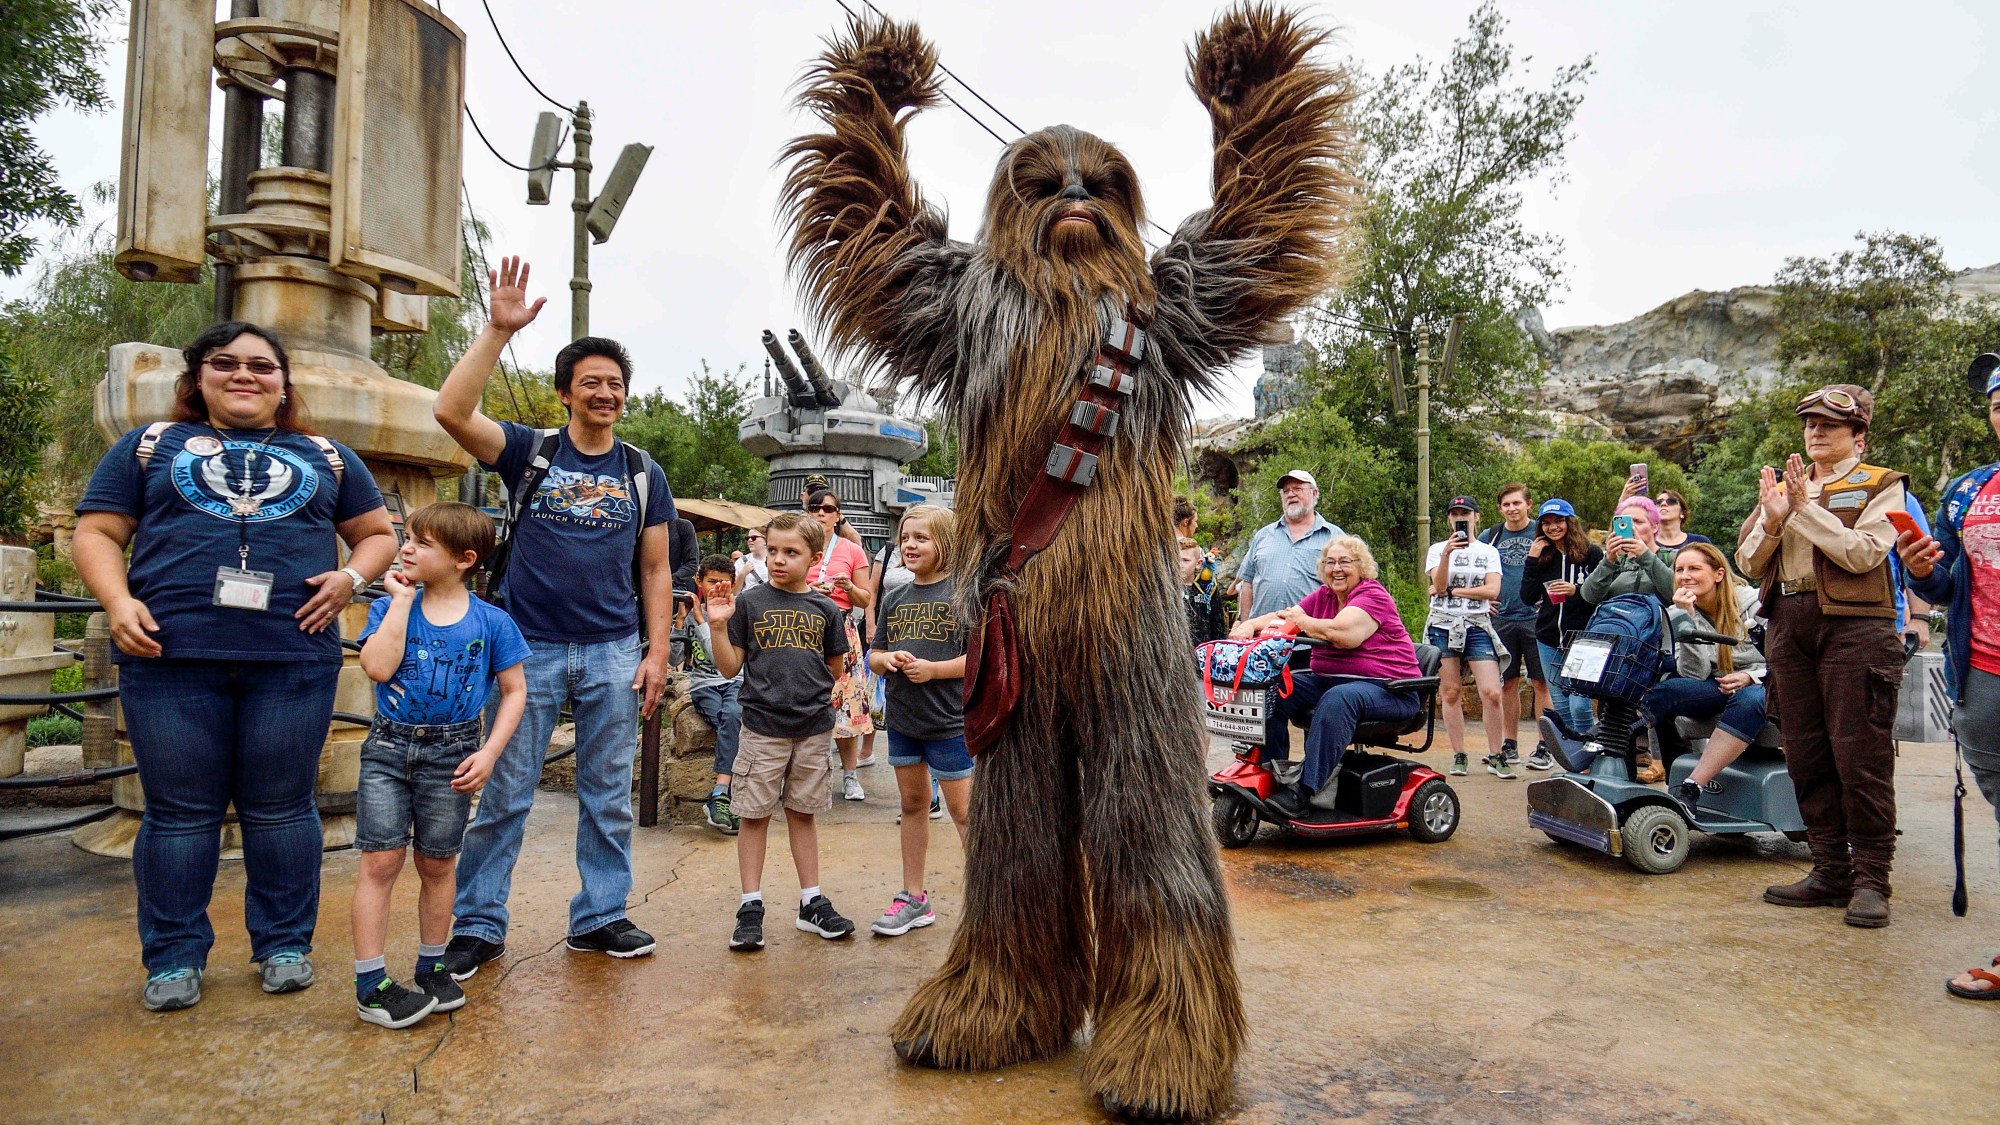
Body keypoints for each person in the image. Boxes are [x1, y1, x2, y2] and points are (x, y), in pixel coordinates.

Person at [73, 321, 396, 1012]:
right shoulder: (149, 446)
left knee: (281, 809)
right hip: (168, 657)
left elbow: (376, 534)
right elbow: (97, 530)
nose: (243, 374)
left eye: (261, 365)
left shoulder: (326, 454)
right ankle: (174, 955)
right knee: (180, 814)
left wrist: (349, 579)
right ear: (198, 379)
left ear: (284, 383)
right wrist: (117, 599)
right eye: (225, 363)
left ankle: (284, 942)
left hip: (290, 659)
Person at [430, 256, 676, 977]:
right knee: (503, 793)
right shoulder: (528, 451)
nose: (606, 393)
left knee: (607, 793)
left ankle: (600, 915)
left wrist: (656, 651)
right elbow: (450, 410)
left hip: (611, 650)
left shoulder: (642, 471)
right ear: (566, 393)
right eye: (592, 382)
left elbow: (656, 568)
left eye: (616, 384)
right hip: (526, 649)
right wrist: (497, 332)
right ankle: (478, 924)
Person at [351, 503, 529, 1029]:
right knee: (379, 863)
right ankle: (371, 983)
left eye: (421, 543)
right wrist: (402, 604)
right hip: (388, 748)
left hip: (453, 753)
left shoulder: (492, 621)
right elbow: (378, 667)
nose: (405, 548)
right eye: (407, 538)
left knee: (438, 863)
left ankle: (432, 966)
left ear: (463, 559)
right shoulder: (390, 610)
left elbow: (515, 690)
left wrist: (490, 752)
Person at [1737, 383, 1907, 928]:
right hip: (1789, 622)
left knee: (1860, 757)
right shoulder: (1785, 487)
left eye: (1829, 426)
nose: (1815, 433)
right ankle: (1830, 869)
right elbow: (1745, 562)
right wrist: (1772, 518)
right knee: (1805, 753)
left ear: (1859, 434)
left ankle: (1871, 880)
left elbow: (1863, 554)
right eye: (1809, 424)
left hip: (1856, 627)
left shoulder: (1882, 485)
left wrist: (1803, 512)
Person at [1896, 355, 2000, 996]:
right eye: (1995, 402)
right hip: (1983, 674)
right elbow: (1943, 582)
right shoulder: (1967, 491)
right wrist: (1917, 565)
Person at [705, 511, 856, 950]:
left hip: (811, 728)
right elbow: (730, 666)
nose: (778, 559)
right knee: (753, 814)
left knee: (802, 812)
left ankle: (811, 901)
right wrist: (717, 626)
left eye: (791, 552)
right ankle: (750, 903)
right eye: (772, 550)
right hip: (762, 727)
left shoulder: (825, 608)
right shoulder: (749, 604)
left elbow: (833, 665)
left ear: (814, 558)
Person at [1231, 536, 1422, 814]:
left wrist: (1302, 622)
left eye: (1345, 562)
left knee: (1339, 699)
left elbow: (1344, 634)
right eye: (1330, 562)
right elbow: (1285, 616)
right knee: (1270, 689)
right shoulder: (1325, 595)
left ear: (1362, 567)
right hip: (1331, 681)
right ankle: (1268, 772)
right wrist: (1250, 625)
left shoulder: (1373, 595)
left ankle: (1305, 791)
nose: (1336, 569)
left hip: (1390, 689)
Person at [866, 505, 973, 936]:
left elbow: (980, 659)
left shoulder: (963, 595)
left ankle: (988, 898)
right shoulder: (894, 598)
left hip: (948, 722)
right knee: (913, 806)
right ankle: (914, 896)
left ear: (944, 543)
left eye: (921, 538)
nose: (909, 545)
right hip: (904, 721)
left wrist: (934, 670)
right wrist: (887, 659)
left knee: (964, 812)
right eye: (905, 537)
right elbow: (873, 654)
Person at [1642, 543, 1767, 822]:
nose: (1684, 575)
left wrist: (1750, 677)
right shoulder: (1678, 612)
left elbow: (1788, 658)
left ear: (1719, 574)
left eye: (1694, 568)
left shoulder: (1754, 604)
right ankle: (1600, 744)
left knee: (1750, 699)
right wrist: (1689, 617)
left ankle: (1691, 787)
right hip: (1718, 683)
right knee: (1666, 689)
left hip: (1765, 683)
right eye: (1679, 569)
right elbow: (1694, 674)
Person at [1425, 497, 1510, 779]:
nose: (1460, 518)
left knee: (1492, 691)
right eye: (1455, 514)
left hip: (1477, 624)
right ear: (1449, 519)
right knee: (1450, 691)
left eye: (1465, 514)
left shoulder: (1488, 551)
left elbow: (1492, 590)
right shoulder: (1438, 549)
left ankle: (1496, 754)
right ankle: (1459, 753)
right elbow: (1437, 585)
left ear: (1476, 518)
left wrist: (1452, 592)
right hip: (1443, 624)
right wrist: (1448, 554)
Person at [805, 488, 876, 798]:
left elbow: (865, 597)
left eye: (828, 508)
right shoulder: (798, 545)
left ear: (838, 515)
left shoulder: (851, 549)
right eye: (815, 508)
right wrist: (809, 588)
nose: (821, 513)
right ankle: (804, 775)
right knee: (803, 700)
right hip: (805, 627)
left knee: (846, 703)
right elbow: (779, 583)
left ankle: (850, 776)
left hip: (841, 626)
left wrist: (847, 587)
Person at [1482, 483, 1554, 770]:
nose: (1512, 509)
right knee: (1507, 683)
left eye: (1516, 503)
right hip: (1502, 618)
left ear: (1528, 504)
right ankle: (1509, 744)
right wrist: (1482, 601)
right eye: (1506, 504)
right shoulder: (1491, 536)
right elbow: (1474, 569)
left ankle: (1545, 745)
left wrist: (1548, 599)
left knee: (1541, 683)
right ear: (1500, 508)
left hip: (1536, 620)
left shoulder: (1542, 532)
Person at [1520, 498, 1604, 743]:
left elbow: (1602, 593)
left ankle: (1589, 752)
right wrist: (1532, 559)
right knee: (1562, 705)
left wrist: (1576, 590)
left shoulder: (1591, 553)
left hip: (1583, 639)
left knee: (1580, 705)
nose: (1553, 527)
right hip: (1548, 638)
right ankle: (1573, 759)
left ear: (1570, 522)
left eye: (1559, 521)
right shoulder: (1544, 555)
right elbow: (1528, 597)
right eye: (1546, 523)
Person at [1234, 469, 1345, 622]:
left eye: (1297, 489)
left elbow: (1347, 587)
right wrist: (1245, 625)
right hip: (1262, 639)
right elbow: (1247, 584)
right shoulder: (1263, 536)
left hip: (1312, 639)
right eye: (1286, 491)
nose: (1291, 494)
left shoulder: (1335, 537)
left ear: (1314, 493)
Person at [687, 555, 745, 835]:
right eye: (711, 582)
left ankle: (720, 793)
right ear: (699, 581)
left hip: (733, 680)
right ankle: (726, 800)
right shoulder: (688, 614)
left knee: (733, 713)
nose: (717, 588)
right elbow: (675, 656)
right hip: (704, 686)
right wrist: (683, 618)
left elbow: (723, 663)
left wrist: (705, 621)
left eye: (724, 583)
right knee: (726, 718)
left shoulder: (734, 612)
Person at [1583, 495, 1675, 606]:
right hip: (1617, 621)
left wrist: (1645, 556)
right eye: (1624, 523)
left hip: (1658, 621)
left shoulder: (1673, 557)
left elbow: (1676, 592)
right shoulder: (1617, 562)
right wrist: (1608, 562)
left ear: (1654, 527)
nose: (1632, 528)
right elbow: (1589, 596)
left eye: (1638, 522)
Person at [1181, 536, 1227, 646]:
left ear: (1198, 563)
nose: (1179, 564)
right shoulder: (1165, 591)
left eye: (1185, 560)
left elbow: (1218, 623)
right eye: (1175, 559)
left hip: (1203, 651)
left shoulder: (1207, 588)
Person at [1653, 490, 1712, 561]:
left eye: (1671, 501)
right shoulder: (1645, 543)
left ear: (1682, 513)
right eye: (1658, 502)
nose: (1663, 504)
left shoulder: (1700, 542)